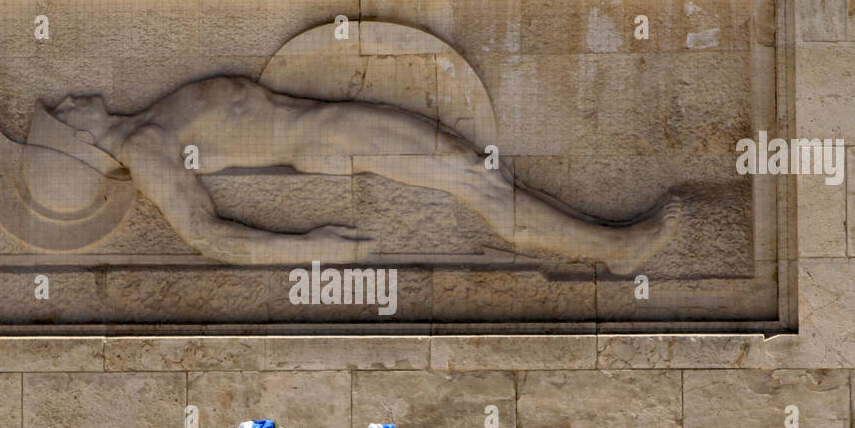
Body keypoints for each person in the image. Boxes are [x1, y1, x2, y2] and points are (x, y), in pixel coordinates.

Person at [51, 76, 681, 273]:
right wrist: (311, 250)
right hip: (331, 135)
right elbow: (205, 235)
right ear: (79, 137)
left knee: (476, 176)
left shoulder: (148, 118)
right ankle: (613, 248)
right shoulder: (145, 146)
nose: (69, 98)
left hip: (333, 124)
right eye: (61, 113)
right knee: (476, 181)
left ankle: (608, 245)